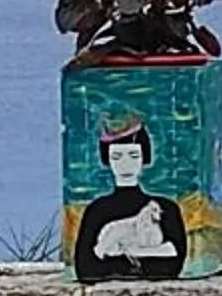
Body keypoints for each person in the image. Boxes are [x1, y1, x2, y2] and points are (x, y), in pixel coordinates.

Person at [72, 119, 188, 282]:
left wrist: (123, 257)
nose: (125, 164)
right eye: (117, 157)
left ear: (144, 158)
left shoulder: (166, 208)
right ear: (108, 160)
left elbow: (173, 263)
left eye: (133, 156)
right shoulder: (97, 210)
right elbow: (86, 267)